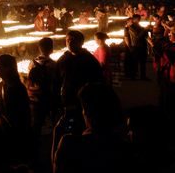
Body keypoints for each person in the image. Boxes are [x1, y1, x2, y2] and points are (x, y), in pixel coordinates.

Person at [54, 83, 132, 173]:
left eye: (83, 109)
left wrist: (57, 134)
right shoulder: (124, 149)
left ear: (87, 112)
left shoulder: (70, 144)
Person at [52, 30, 104, 158]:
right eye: (67, 40)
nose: (69, 42)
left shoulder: (89, 60)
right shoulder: (63, 60)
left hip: (85, 103)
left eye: (73, 40)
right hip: (67, 101)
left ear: (81, 42)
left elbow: (98, 81)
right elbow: (56, 81)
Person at [0, 54, 32, 165]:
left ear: (7, 68)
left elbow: (18, 116)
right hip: (5, 129)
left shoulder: (18, 89)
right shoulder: (1, 85)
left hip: (17, 134)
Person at [26, 37, 59, 136]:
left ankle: (36, 137)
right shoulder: (54, 64)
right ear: (52, 49)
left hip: (35, 96)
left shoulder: (32, 63)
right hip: (49, 95)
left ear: (39, 48)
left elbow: (29, 78)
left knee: (37, 120)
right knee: (51, 115)